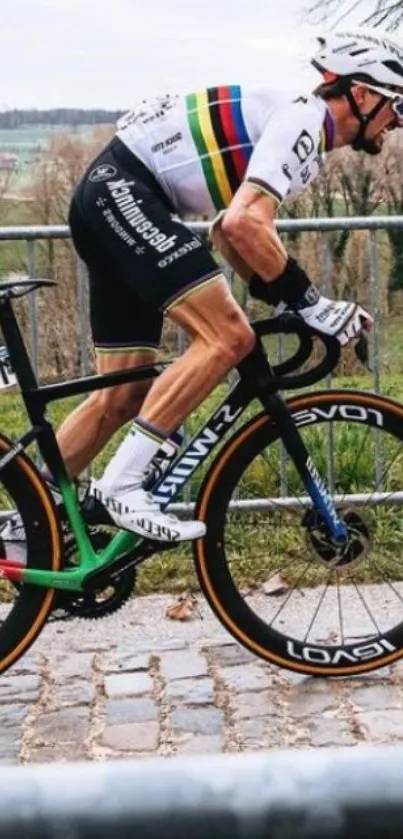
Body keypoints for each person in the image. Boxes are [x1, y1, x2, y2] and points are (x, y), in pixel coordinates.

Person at [6, 28, 403, 549]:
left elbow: (225, 231)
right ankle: (123, 486)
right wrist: (311, 302)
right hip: (128, 192)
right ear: (363, 93)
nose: (398, 120)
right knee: (229, 338)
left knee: (121, 395)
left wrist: (292, 301)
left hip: (108, 196)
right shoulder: (306, 119)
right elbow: (243, 226)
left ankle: (23, 530)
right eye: (396, 104)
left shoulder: (302, 129)